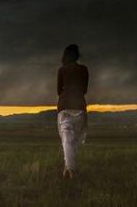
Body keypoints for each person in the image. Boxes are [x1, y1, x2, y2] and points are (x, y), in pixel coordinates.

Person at [56, 43, 89, 179]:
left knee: (66, 140)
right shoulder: (84, 69)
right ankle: (67, 169)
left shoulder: (62, 70)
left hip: (65, 107)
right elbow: (84, 90)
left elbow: (59, 91)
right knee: (73, 141)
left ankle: (71, 170)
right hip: (80, 107)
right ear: (77, 55)